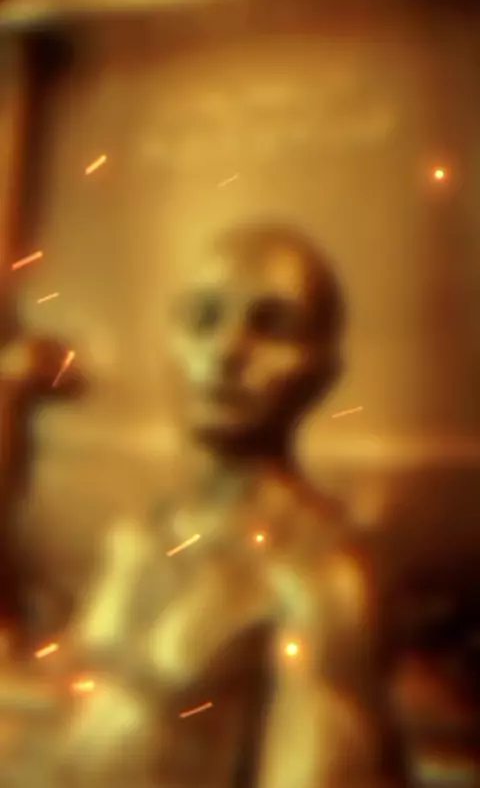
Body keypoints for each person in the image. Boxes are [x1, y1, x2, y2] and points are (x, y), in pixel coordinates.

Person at [56, 221, 407, 788]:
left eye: (273, 327)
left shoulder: (317, 576)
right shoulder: (140, 535)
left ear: (321, 370)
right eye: (203, 319)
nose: (225, 351)